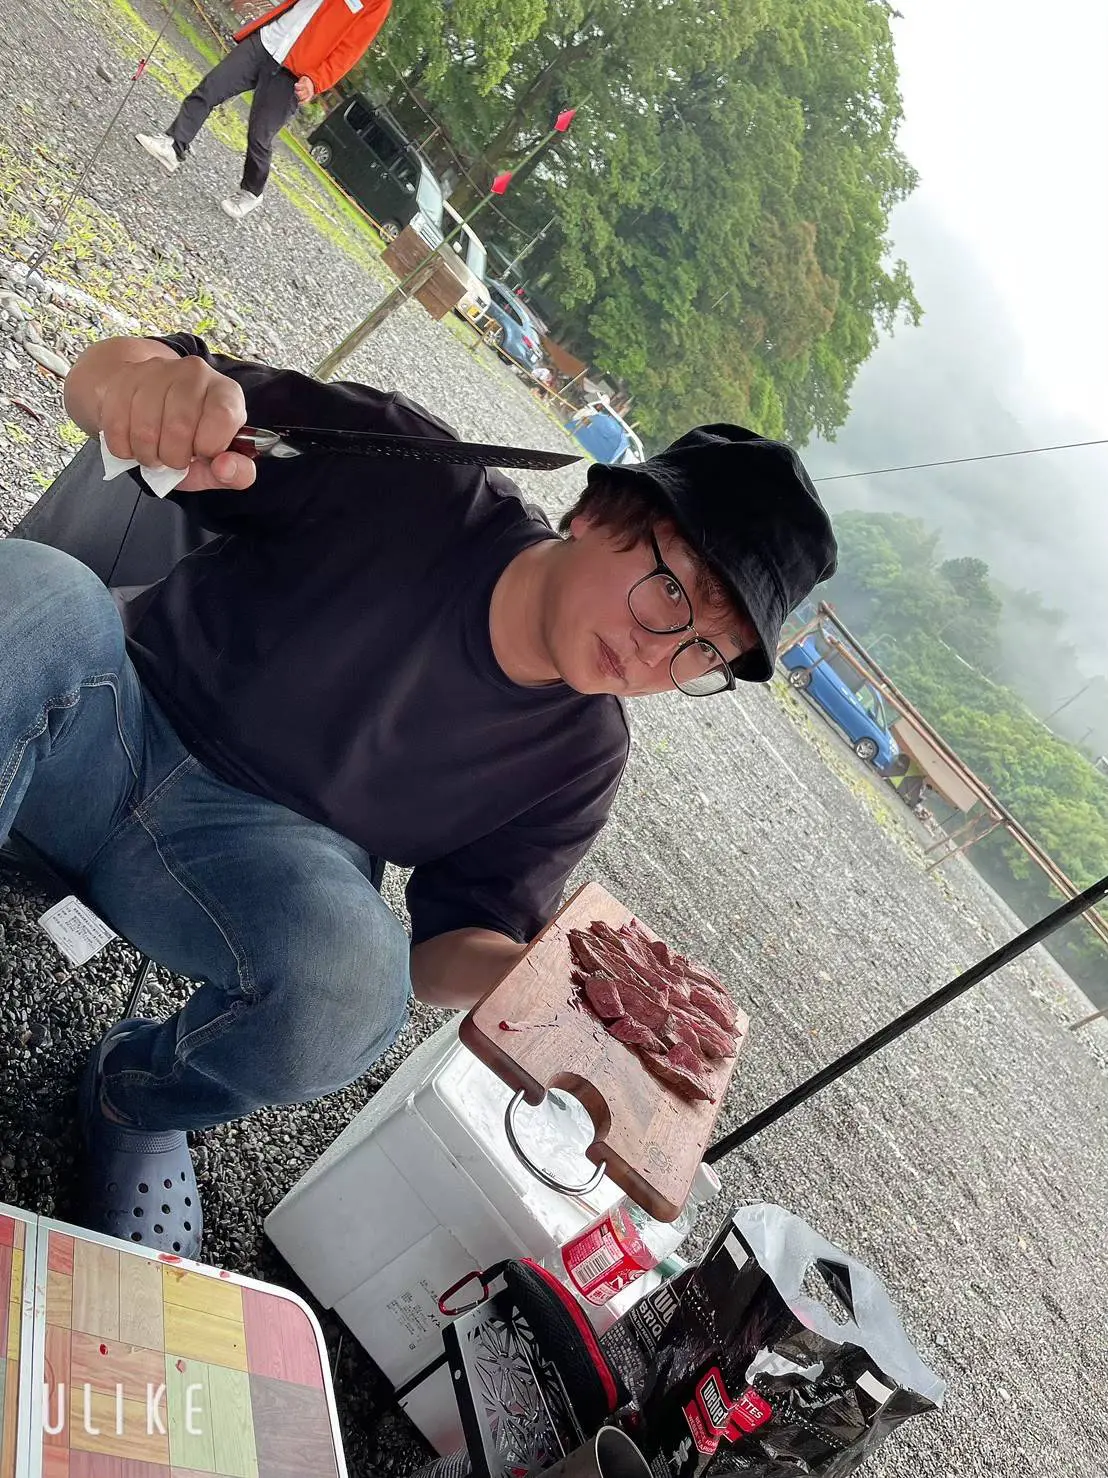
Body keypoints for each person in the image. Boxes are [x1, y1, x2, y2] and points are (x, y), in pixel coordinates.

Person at [2, 332, 836, 1259]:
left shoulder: (581, 756)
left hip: (245, 865)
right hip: (101, 718)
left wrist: (548, 981)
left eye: (702, 652)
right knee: (40, 595)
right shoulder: (411, 476)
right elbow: (118, 376)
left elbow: (443, 949)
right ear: (600, 511)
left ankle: (138, 1100)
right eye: (672, 595)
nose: (655, 653)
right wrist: (145, 388)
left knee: (359, 994)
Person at [135, 0, 390, 220]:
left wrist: (317, 80)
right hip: (267, 40)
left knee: (259, 136)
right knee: (211, 87)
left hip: (295, 71)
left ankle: (252, 191)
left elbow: (351, 48)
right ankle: (174, 144)